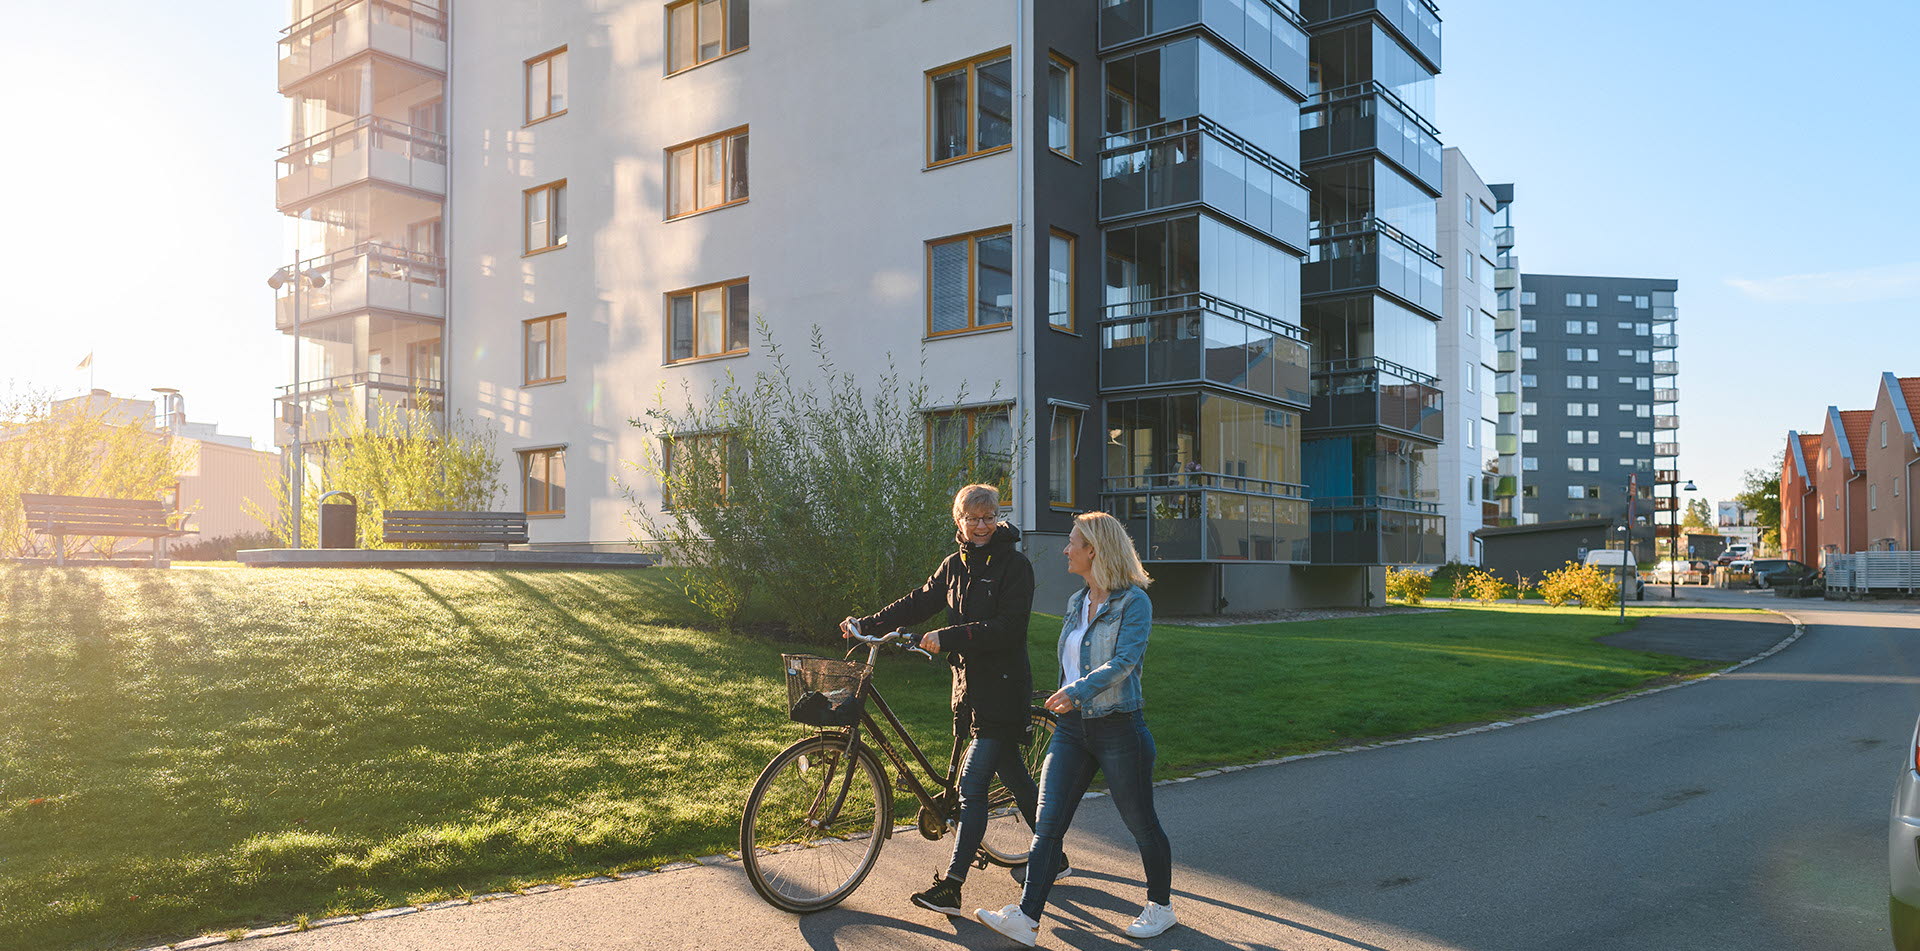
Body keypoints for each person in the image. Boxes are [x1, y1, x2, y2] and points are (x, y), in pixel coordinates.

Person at [976, 511, 1175, 946]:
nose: (1065, 549)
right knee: (1048, 825)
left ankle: (1160, 906)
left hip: (1119, 727)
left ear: (1094, 550)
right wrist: (1065, 694)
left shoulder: (1133, 602)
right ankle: (1027, 919)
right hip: (1070, 730)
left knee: (1140, 822)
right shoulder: (1076, 601)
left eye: (1072, 543)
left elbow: (1124, 663)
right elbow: (1071, 661)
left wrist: (1078, 690)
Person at [840, 483, 1038, 917]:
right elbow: (918, 602)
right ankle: (1050, 853)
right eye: (973, 518)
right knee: (1015, 776)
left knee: (972, 787)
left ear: (997, 518)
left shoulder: (1016, 566)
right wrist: (866, 622)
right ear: (959, 522)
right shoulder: (954, 565)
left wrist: (948, 637)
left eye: (989, 518)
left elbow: (1008, 627)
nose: (982, 525)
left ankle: (951, 886)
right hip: (967, 685)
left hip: (1003, 687)